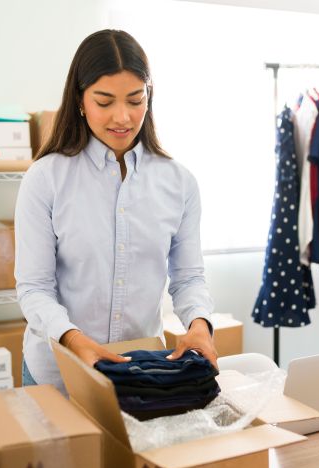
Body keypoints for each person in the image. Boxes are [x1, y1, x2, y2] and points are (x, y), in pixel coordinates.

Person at [15, 29, 216, 393]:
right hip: (58, 372)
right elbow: (34, 288)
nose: (122, 117)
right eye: (104, 102)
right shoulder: (46, 179)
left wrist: (199, 324)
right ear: (80, 100)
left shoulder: (179, 182)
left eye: (135, 100)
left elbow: (187, 277)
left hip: (140, 371)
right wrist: (74, 340)